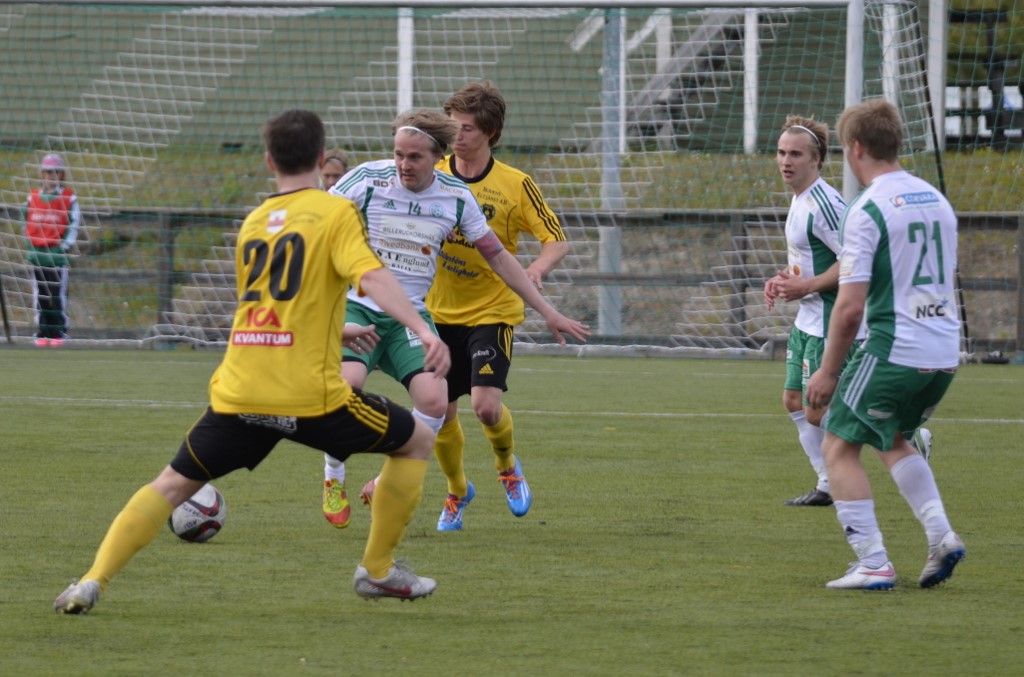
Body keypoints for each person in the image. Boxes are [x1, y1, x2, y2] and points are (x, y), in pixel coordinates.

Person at [54, 108, 452, 614]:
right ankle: (377, 570)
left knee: (171, 484)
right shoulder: (335, 213)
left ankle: (92, 581)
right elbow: (371, 277)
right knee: (416, 440)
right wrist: (422, 329)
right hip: (308, 395)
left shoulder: (255, 222)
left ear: (268, 161)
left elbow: (275, 307)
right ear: (320, 157)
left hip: (240, 389)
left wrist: (341, 329)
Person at [320, 108, 589, 531]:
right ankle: (333, 478)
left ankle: (397, 479)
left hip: (412, 316)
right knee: (348, 386)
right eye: (399, 154)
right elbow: (315, 222)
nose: (404, 164)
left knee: (435, 401)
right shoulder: (368, 178)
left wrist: (548, 311)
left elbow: (498, 256)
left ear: (437, 156)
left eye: (414, 157)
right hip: (360, 307)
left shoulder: (455, 196)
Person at [805, 99, 966, 590]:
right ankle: (941, 536)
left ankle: (873, 562)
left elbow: (850, 308)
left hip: (896, 348)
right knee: (891, 437)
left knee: (837, 445)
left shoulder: (868, 208)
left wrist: (828, 371)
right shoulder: (936, 200)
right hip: (944, 350)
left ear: (855, 148)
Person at [413, 81, 573, 531]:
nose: (456, 136)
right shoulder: (431, 172)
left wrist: (537, 268)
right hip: (436, 313)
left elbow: (556, 240)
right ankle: (457, 491)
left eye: (466, 128)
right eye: (452, 127)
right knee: (441, 410)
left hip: (493, 311)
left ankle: (506, 466)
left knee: (485, 407)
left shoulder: (515, 184)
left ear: (490, 132)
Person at [765, 116, 856, 507]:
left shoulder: (826, 203)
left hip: (830, 320)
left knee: (817, 411)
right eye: (782, 153)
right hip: (807, 318)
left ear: (816, 160)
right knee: (793, 400)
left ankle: (903, 436)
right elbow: (812, 259)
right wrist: (785, 278)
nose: (786, 161)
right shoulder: (800, 199)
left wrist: (806, 286)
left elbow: (854, 260)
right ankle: (827, 483)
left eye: (796, 154)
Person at [318, 145, 353, 529]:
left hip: (387, 312)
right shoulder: (312, 212)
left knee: (434, 399)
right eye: (326, 176)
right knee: (344, 394)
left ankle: (388, 481)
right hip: (341, 316)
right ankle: (333, 478)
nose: (330, 182)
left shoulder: (360, 207)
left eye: (336, 176)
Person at [24, 153, 80, 346]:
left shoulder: (69, 198)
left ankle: (59, 332)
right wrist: (30, 245)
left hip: (56, 256)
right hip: (38, 255)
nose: (51, 175)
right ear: (42, 174)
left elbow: (74, 224)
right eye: (48, 172)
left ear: (61, 174)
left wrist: (63, 247)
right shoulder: (32, 197)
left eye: (55, 171)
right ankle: (42, 331)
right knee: (39, 294)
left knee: (57, 295)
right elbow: (26, 221)